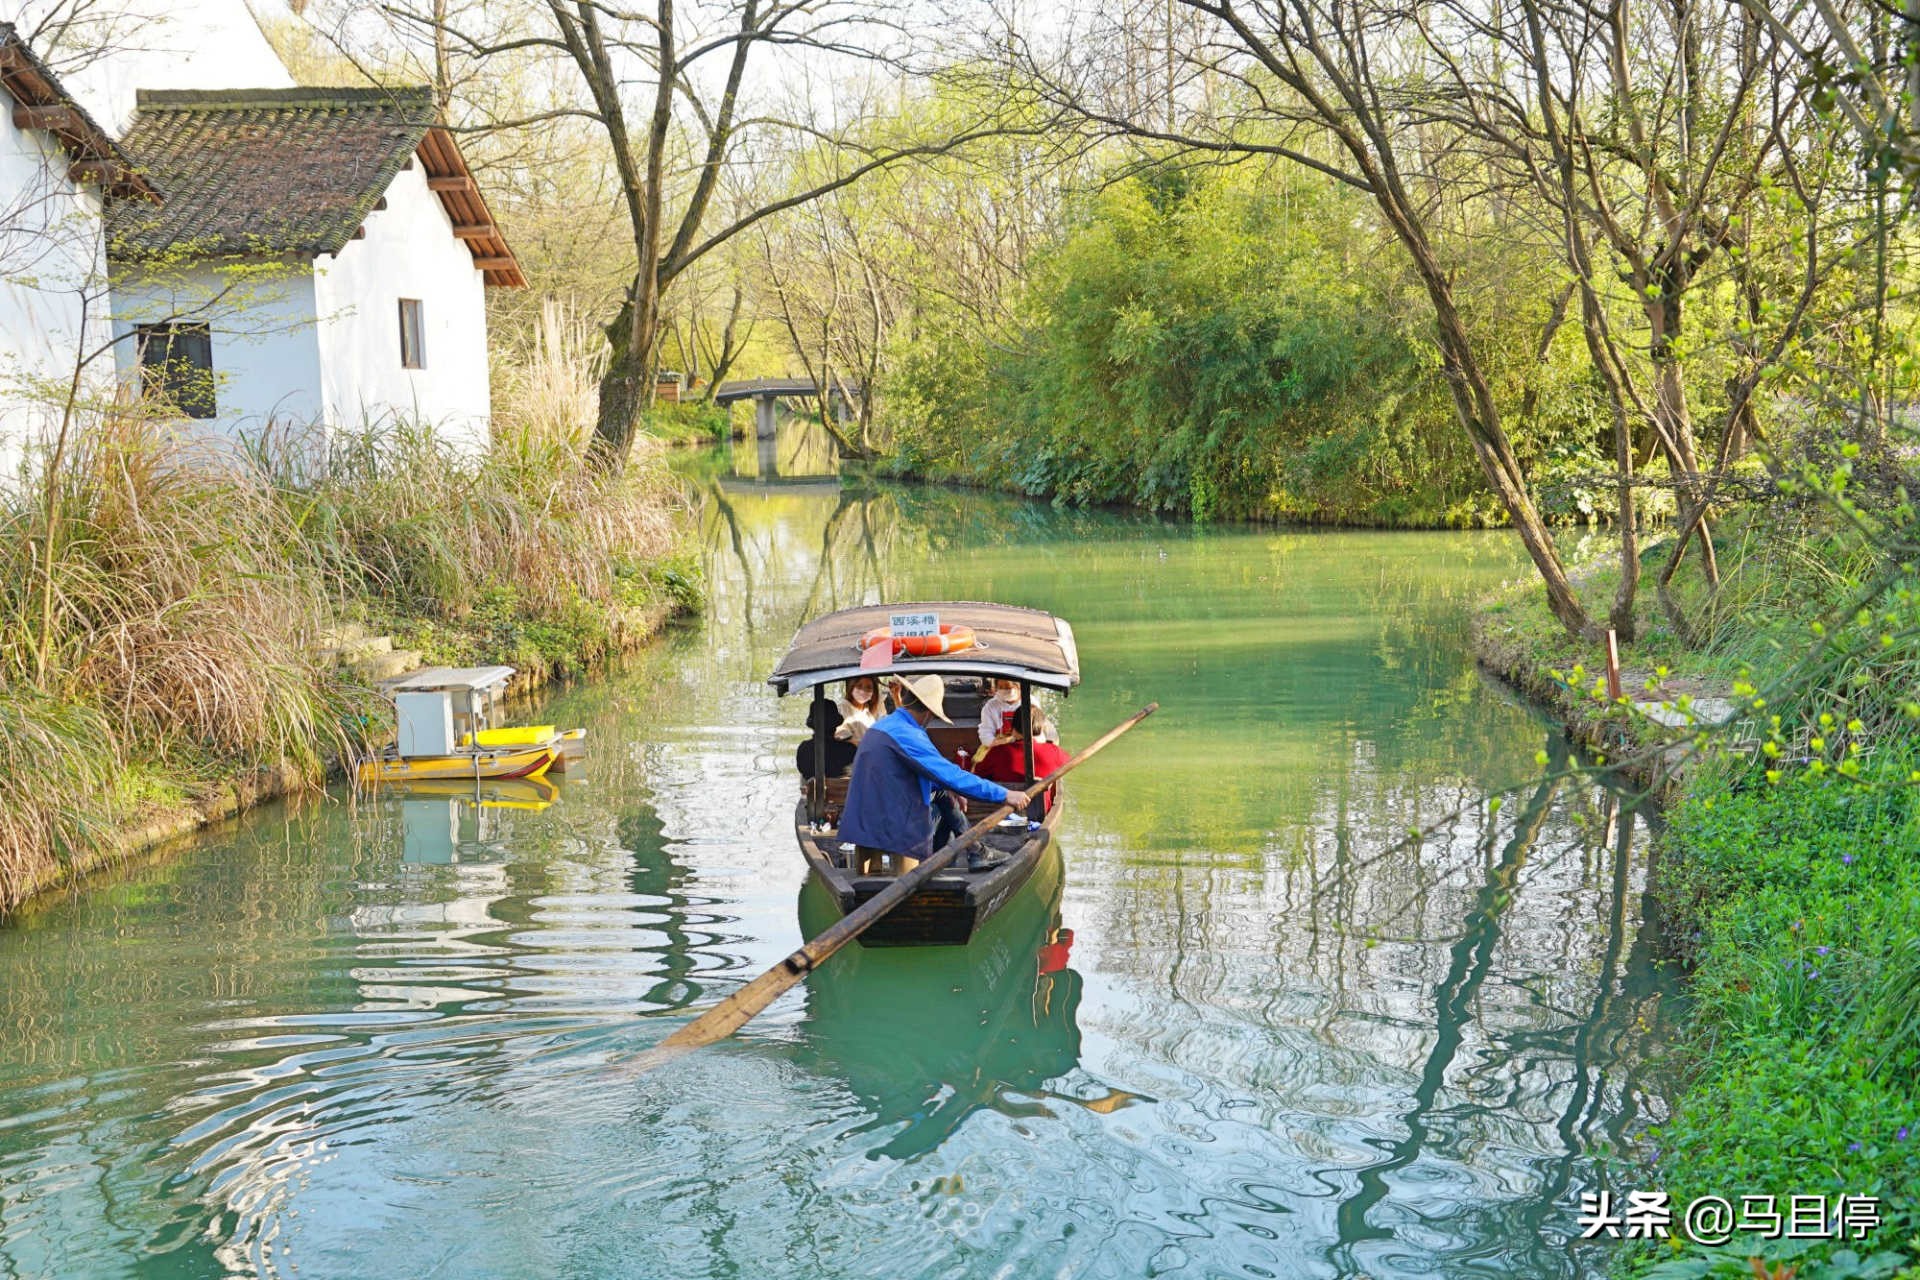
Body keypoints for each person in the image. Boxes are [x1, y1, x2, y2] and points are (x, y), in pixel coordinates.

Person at [838, 673, 1030, 874]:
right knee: (945, 803)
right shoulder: (907, 734)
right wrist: (1005, 794)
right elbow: (952, 775)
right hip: (891, 822)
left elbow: (938, 777)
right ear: (929, 713)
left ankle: (975, 851)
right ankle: (968, 854)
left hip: (860, 819)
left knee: (944, 794)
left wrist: (947, 787)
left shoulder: (884, 725)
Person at [972, 702, 1066, 814]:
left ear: (1014, 730)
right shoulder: (1053, 752)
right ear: (1041, 729)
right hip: (1041, 812)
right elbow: (1066, 764)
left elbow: (976, 775)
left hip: (1000, 811)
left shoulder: (997, 752)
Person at [836, 675, 879, 746]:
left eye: (869, 687)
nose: (863, 691)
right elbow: (840, 739)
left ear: (873, 693)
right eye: (859, 686)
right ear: (852, 687)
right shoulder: (843, 708)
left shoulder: (869, 713)